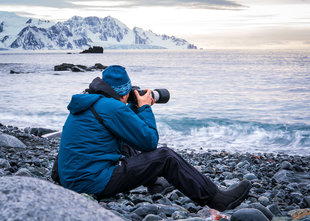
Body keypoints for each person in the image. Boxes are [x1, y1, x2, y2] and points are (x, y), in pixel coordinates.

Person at [58, 65, 251, 212]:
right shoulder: (112, 107)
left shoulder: (88, 100)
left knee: (126, 141)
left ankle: (155, 183)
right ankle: (217, 199)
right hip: (91, 181)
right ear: (125, 93)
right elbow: (150, 141)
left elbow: (120, 129)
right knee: (165, 156)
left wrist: (131, 109)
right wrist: (144, 107)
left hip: (70, 177)